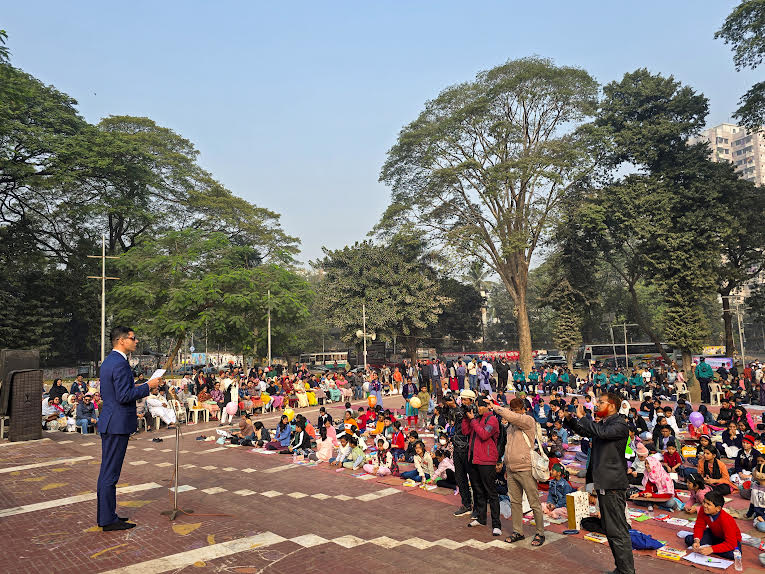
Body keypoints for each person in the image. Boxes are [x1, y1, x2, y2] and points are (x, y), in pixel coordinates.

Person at [96, 326, 161, 530]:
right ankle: (107, 519)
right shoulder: (120, 363)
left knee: (108, 471)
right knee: (110, 473)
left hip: (111, 420)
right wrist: (147, 386)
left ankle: (108, 515)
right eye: (133, 338)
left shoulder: (109, 362)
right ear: (121, 341)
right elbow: (124, 395)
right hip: (116, 423)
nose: (136, 341)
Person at [564, 392, 634, 574]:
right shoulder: (605, 424)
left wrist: (583, 417)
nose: (596, 406)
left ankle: (627, 571)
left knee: (617, 531)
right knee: (611, 530)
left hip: (612, 486)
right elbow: (587, 431)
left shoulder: (619, 424)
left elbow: (598, 432)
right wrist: (570, 420)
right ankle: (622, 569)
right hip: (603, 484)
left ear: (611, 406)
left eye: (600, 403)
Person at [462, 397, 501, 537]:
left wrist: (472, 420)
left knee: (491, 492)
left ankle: (496, 524)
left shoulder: (492, 420)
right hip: (473, 459)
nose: (478, 409)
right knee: (478, 491)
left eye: (480, 406)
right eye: (477, 406)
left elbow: (484, 434)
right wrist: (466, 418)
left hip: (487, 460)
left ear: (487, 407)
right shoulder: (476, 418)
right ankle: (481, 518)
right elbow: (465, 431)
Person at [684, 490, 742, 559]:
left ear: (718, 508)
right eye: (704, 502)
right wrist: (697, 540)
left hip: (730, 540)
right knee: (689, 539)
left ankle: (712, 546)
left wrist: (712, 549)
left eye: (708, 504)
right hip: (714, 534)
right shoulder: (703, 509)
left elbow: (731, 543)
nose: (704, 505)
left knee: (734, 555)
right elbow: (699, 526)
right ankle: (713, 546)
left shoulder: (726, 519)